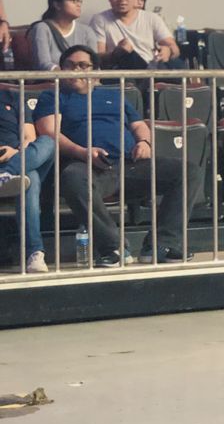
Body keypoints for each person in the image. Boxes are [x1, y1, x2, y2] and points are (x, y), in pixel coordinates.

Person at [34, 46, 203, 267]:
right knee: (72, 178)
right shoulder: (53, 96)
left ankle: (162, 245)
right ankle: (112, 247)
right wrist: (83, 153)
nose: (76, 70)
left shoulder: (114, 95)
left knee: (188, 171)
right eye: (70, 65)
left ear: (96, 71)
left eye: (83, 65)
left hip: (130, 164)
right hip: (87, 165)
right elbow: (50, 133)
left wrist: (145, 142)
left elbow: (139, 126)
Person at [0, 91, 55, 273]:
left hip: (17, 157)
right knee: (30, 177)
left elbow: (29, 138)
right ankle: (35, 252)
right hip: (16, 164)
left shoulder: (12, 97)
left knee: (47, 141)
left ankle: (8, 174)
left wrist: (15, 154)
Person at [89, 0, 181, 70]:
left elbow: (174, 48)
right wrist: (116, 53)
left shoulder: (152, 18)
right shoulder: (100, 20)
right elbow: (97, 57)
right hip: (120, 71)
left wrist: (168, 50)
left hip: (150, 71)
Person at [28, 0, 97, 71]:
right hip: (54, 82)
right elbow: (44, 64)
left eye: (79, 1)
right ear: (57, 5)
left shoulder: (87, 31)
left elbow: (95, 64)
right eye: (73, 0)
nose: (78, 4)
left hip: (84, 81)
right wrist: (67, 77)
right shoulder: (42, 29)